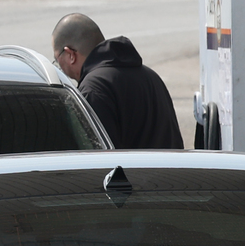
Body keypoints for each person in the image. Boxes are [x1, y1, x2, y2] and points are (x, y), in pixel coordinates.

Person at [52, 13, 183, 150]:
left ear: (70, 55)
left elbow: (100, 157)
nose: (58, 65)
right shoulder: (151, 76)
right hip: (170, 169)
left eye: (57, 58)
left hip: (132, 171)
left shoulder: (93, 89)